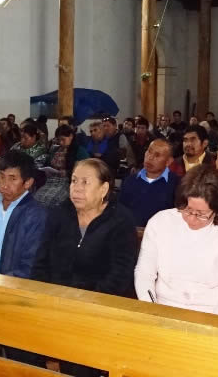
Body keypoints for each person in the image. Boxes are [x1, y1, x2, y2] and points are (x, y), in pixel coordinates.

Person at [135, 164, 218, 316]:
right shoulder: (160, 222)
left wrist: (211, 325)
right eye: (187, 210)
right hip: (164, 307)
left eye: (201, 214)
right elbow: (144, 273)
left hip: (212, 312)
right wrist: (151, 309)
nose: (192, 219)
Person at [32, 158, 138, 295]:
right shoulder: (59, 213)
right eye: (74, 181)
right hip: (53, 296)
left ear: (103, 189)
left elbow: (119, 277)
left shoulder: (121, 221)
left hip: (97, 301)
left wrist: (84, 299)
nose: (77, 188)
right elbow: (40, 263)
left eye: (85, 182)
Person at [119, 139, 180, 227]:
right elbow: (120, 212)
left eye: (157, 155)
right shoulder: (130, 180)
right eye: (149, 152)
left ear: (168, 161)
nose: (150, 158)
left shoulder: (177, 184)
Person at [33, 125, 89, 207]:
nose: (60, 142)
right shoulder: (55, 150)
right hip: (50, 181)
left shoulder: (79, 151)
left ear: (71, 136)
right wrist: (46, 170)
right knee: (37, 198)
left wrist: (65, 173)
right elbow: (47, 163)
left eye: (63, 139)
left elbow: (83, 170)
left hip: (66, 182)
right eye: (59, 140)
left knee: (51, 200)